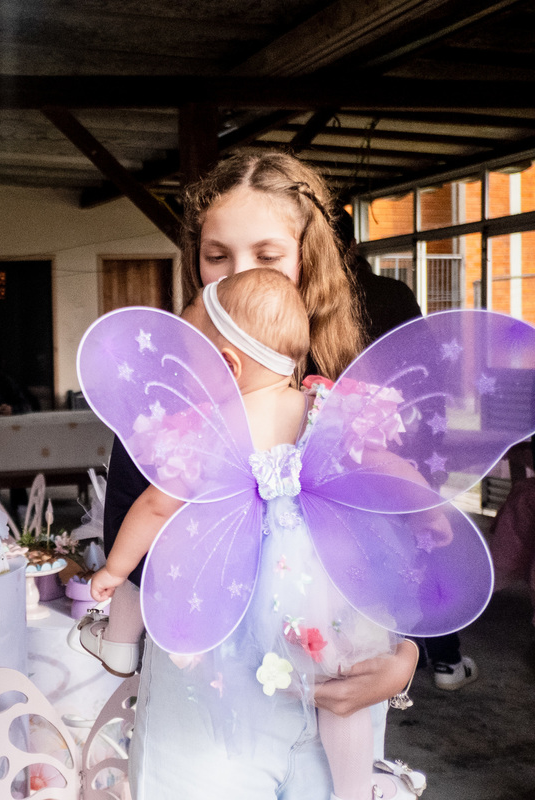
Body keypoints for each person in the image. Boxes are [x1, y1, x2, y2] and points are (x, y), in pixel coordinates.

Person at [92, 151, 419, 798]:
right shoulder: (170, 402)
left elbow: (397, 538)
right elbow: (135, 539)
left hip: (338, 691)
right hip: (206, 713)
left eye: (267, 255)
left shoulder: (354, 394)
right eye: (217, 256)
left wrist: (404, 656)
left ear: (307, 259)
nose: (239, 275)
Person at [334, 208, 479, 691]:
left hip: (336, 452)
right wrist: (430, 450)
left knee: (361, 550)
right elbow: (429, 372)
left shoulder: (309, 300)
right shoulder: (391, 295)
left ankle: (384, 654)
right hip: (406, 442)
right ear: (354, 245)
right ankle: (444, 659)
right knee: (424, 542)